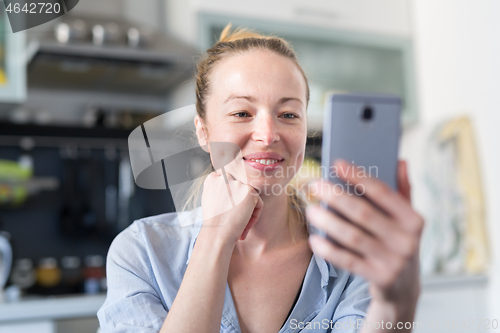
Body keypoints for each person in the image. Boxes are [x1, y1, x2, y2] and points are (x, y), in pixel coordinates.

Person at [97, 24, 424, 333]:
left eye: (288, 115)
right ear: (204, 132)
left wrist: (397, 303)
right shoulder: (142, 251)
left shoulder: (350, 250)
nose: (268, 135)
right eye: (242, 113)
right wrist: (215, 239)